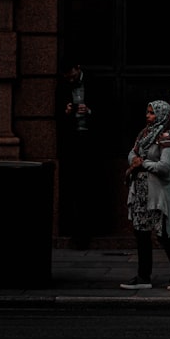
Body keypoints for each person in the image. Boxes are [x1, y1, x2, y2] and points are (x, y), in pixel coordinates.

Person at [120, 100, 170, 291]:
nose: (147, 116)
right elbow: (131, 154)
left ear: (161, 114)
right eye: (147, 112)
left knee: (164, 235)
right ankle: (143, 276)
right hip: (140, 192)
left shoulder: (168, 136)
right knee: (141, 234)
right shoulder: (145, 133)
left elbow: (165, 167)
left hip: (159, 194)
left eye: (151, 113)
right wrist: (136, 160)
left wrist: (143, 164)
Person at [56, 60, 105, 250]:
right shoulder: (63, 86)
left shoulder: (94, 83)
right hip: (72, 141)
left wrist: (89, 110)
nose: (71, 79)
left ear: (78, 68)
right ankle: (75, 232)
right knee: (73, 187)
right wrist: (66, 111)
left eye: (73, 75)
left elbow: (108, 109)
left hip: (89, 142)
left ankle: (88, 232)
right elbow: (56, 113)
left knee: (88, 186)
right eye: (68, 78)